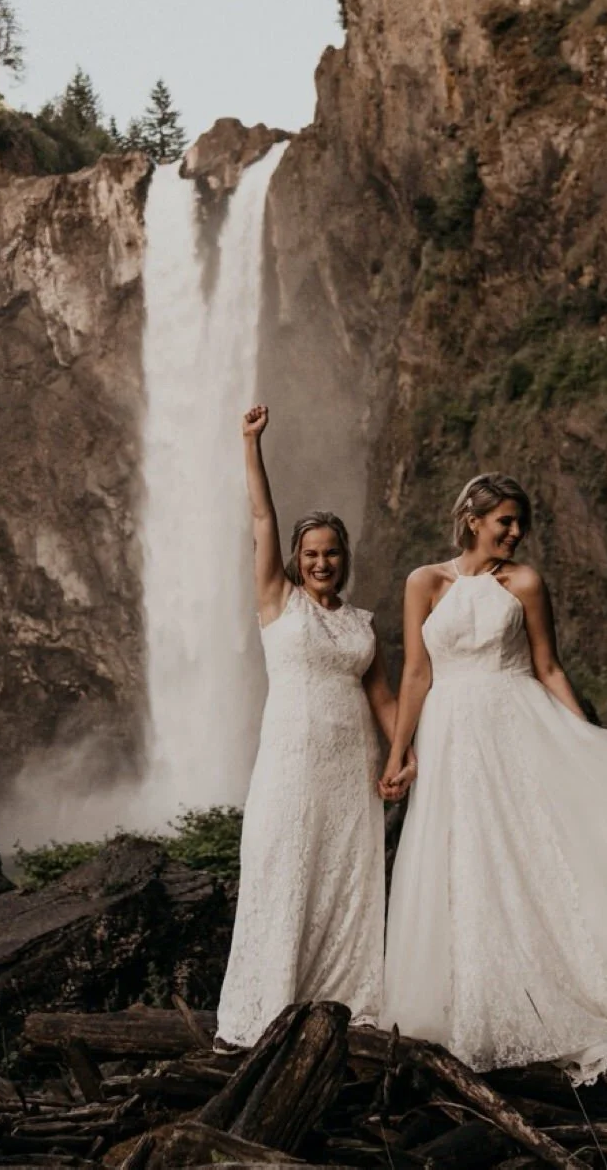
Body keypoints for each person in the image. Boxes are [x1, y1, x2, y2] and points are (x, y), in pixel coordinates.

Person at [379, 473, 607, 1092]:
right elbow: (416, 674)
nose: (516, 533)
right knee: (461, 858)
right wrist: (400, 754)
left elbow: (548, 666)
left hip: (515, 723)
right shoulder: (425, 581)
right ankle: (473, 1005)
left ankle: (564, 991)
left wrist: (588, 737)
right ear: (473, 519)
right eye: (505, 521)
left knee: (536, 855)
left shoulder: (523, 582)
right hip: (450, 735)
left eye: (521, 522)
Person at [216, 405, 403, 1045]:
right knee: (284, 868)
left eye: (332, 552)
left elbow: (384, 701)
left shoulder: (362, 625)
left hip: (351, 769)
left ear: (345, 557)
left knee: (346, 880)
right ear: (297, 559)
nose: (322, 562)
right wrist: (251, 444)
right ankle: (269, 1013)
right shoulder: (279, 603)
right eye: (311, 553)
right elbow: (262, 517)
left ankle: (343, 1009)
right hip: (291, 762)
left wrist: (403, 755)